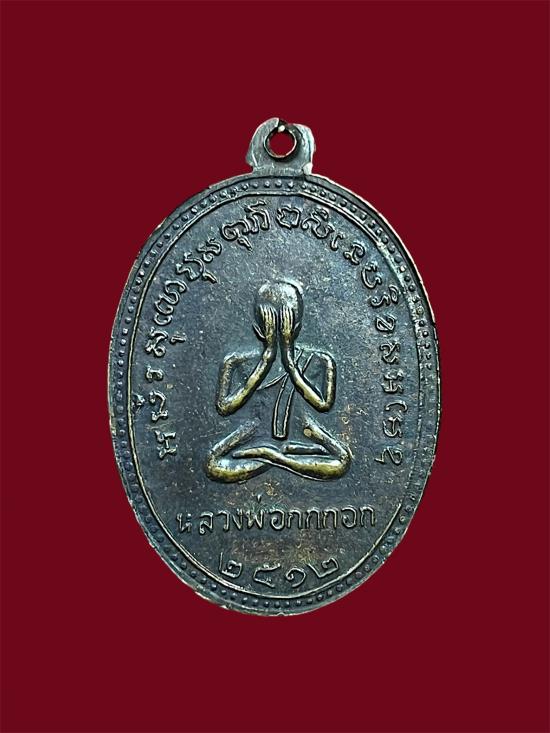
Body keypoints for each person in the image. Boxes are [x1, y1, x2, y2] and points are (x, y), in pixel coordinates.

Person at [205, 281, 351, 482]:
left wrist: (290, 362)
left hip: (305, 433)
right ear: (258, 329)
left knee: (343, 461)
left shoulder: (320, 360)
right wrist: (266, 359)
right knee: (212, 464)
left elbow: (323, 405)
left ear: (297, 328)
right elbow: (224, 407)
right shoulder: (236, 361)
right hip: (252, 434)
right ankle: (283, 458)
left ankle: (273, 457)